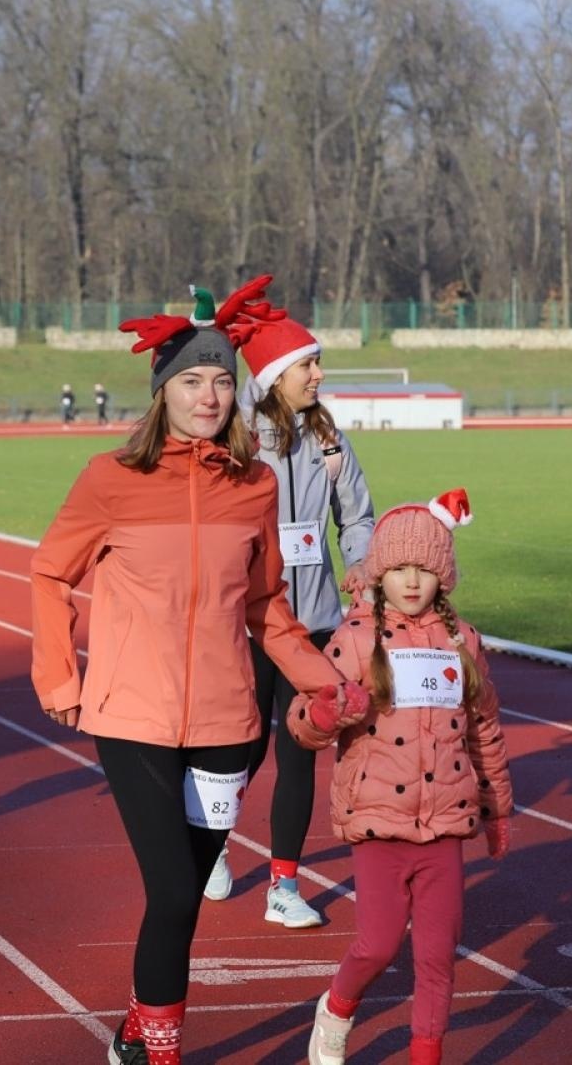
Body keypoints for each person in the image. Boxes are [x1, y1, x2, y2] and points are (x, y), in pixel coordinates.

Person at [30, 277, 368, 1065]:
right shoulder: (109, 478)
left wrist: (328, 684)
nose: (209, 394)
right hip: (130, 717)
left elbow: (268, 612)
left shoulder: (254, 486)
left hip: (225, 722)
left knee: (179, 900)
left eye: (221, 379)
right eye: (191, 380)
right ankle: (164, 1053)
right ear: (163, 393)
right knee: (177, 891)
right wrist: (59, 677)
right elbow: (50, 574)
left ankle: (136, 1033)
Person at [288, 488, 513, 1065]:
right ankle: (336, 1010)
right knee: (379, 944)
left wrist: (497, 807)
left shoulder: (465, 644)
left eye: (426, 570)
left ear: (444, 577)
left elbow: (484, 728)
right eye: (400, 570)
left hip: (443, 825)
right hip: (379, 824)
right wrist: (322, 715)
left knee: (438, 956)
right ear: (379, 575)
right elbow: (303, 720)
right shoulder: (357, 641)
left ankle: (425, 1055)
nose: (413, 582)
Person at [206, 300, 376, 927]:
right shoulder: (236, 435)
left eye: (319, 364)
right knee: (241, 750)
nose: (319, 375)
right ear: (276, 373)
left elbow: (356, 516)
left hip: (317, 622)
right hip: (250, 624)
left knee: (301, 749)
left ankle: (283, 887)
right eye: (309, 363)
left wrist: (359, 560)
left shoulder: (329, 437)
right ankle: (214, 846)